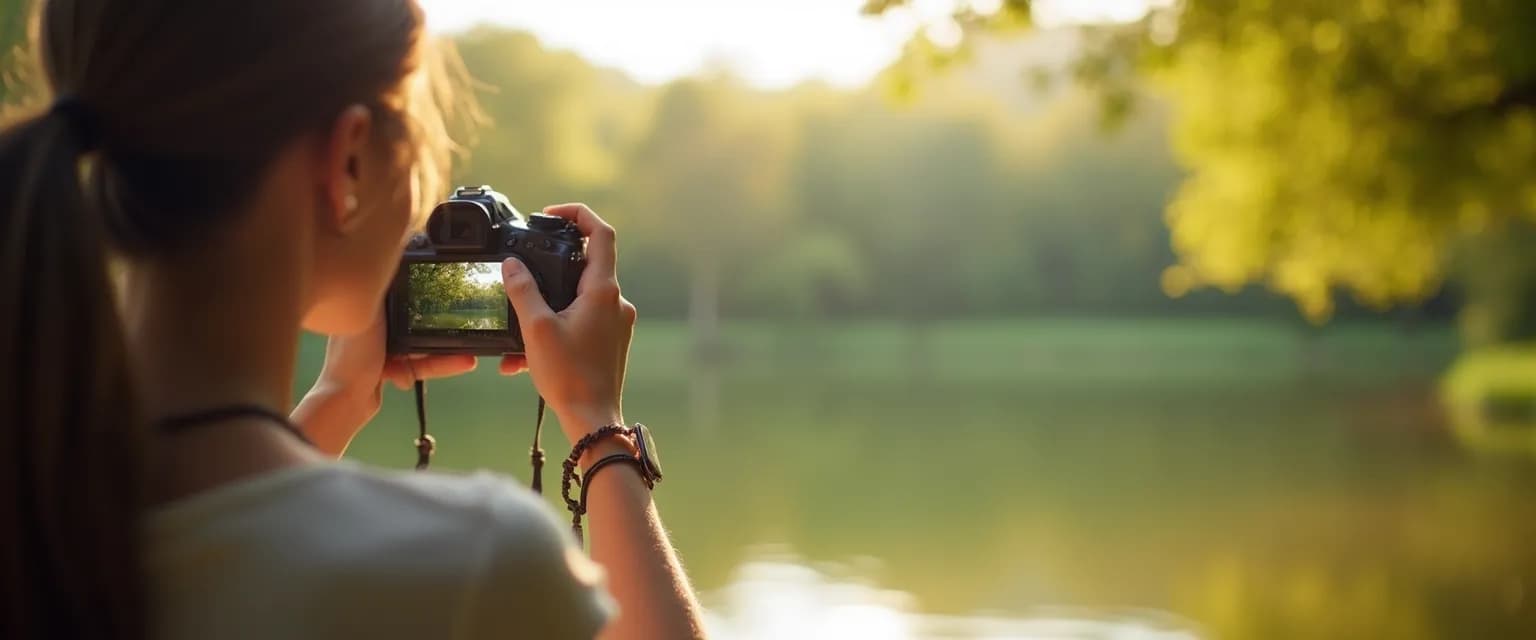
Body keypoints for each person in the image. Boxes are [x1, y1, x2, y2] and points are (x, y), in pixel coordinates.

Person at [0, 1, 704, 639]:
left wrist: (336, 399)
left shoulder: (40, 521)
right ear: (349, 163)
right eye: (422, 147)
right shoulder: (475, 563)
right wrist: (598, 427)